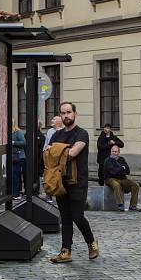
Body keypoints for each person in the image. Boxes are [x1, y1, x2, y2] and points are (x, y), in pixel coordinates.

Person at [50, 102, 99, 263]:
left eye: (69, 112)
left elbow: (72, 153)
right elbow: (48, 156)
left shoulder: (82, 134)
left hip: (78, 182)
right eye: (63, 113)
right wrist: (57, 152)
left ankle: (91, 242)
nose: (66, 116)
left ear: (75, 114)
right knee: (65, 217)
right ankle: (66, 251)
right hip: (60, 182)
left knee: (77, 216)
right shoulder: (56, 135)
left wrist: (56, 151)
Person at [103, 145, 141, 212]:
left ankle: (133, 206)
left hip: (122, 179)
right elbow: (112, 172)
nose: (114, 153)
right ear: (110, 152)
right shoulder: (108, 160)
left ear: (118, 152)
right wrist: (121, 169)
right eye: (113, 151)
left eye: (116, 151)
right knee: (116, 185)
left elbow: (127, 171)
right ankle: (120, 204)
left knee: (135, 185)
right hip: (110, 179)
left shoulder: (122, 159)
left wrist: (120, 170)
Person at [11, 120, 26, 198]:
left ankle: (16, 194)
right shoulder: (8, 132)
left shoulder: (18, 132)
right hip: (11, 157)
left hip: (18, 157)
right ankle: (15, 192)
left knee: (15, 175)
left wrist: (13, 142)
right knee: (14, 175)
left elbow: (24, 143)